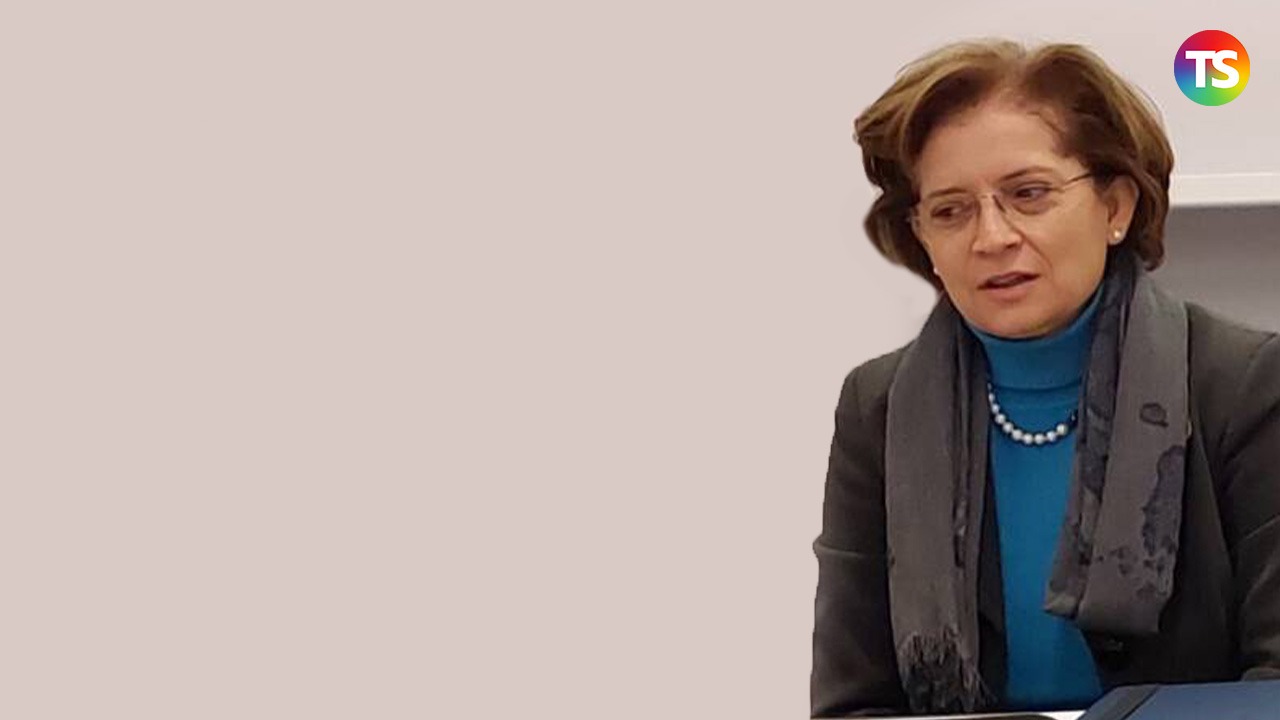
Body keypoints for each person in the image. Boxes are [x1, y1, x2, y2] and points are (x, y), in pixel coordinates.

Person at [810, 39, 1280, 717]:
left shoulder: (1244, 385)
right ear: (923, 239)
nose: (992, 237)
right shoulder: (876, 408)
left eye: (1028, 195)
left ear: (1115, 208)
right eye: (950, 210)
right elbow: (852, 705)